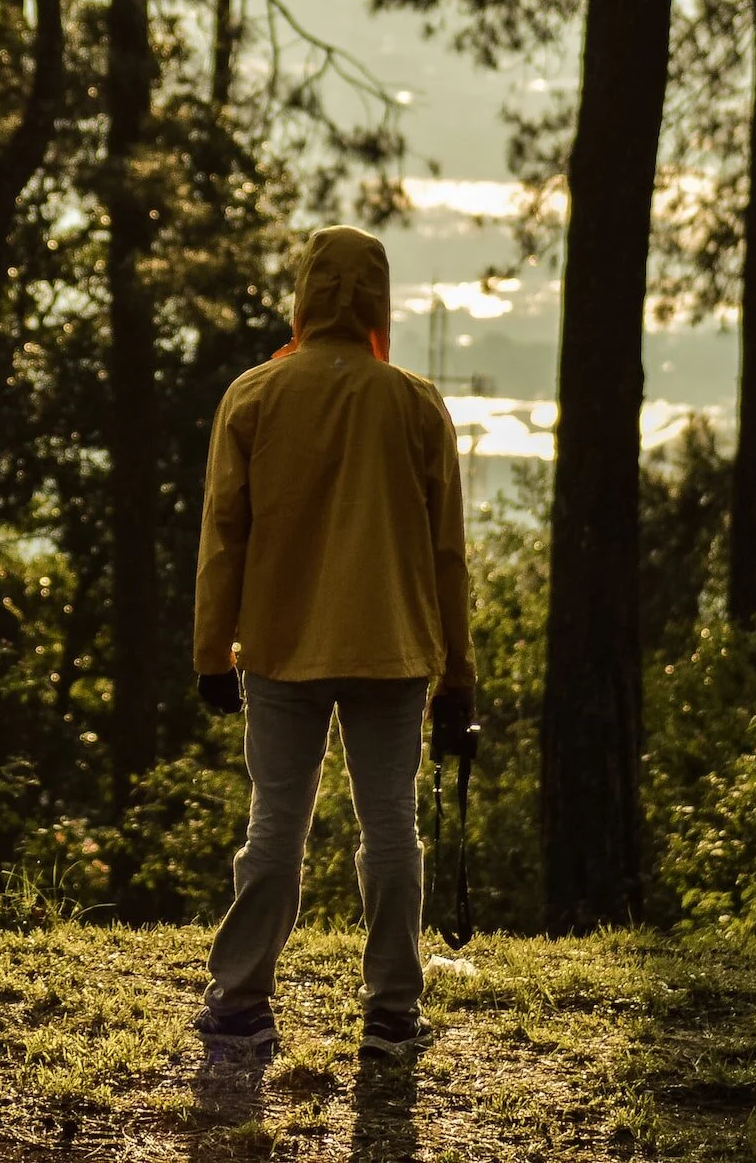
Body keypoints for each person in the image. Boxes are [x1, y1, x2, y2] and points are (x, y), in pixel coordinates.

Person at [189, 225, 476, 1062]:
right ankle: (391, 1012)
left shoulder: (254, 395)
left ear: (305, 293)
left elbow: (223, 536)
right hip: (393, 647)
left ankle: (241, 1005)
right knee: (390, 829)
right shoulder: (417, 404)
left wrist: (213, 654)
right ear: (380, 299)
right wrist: (459, 673)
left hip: (278, 645)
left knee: (275, 826)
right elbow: (448, 554)